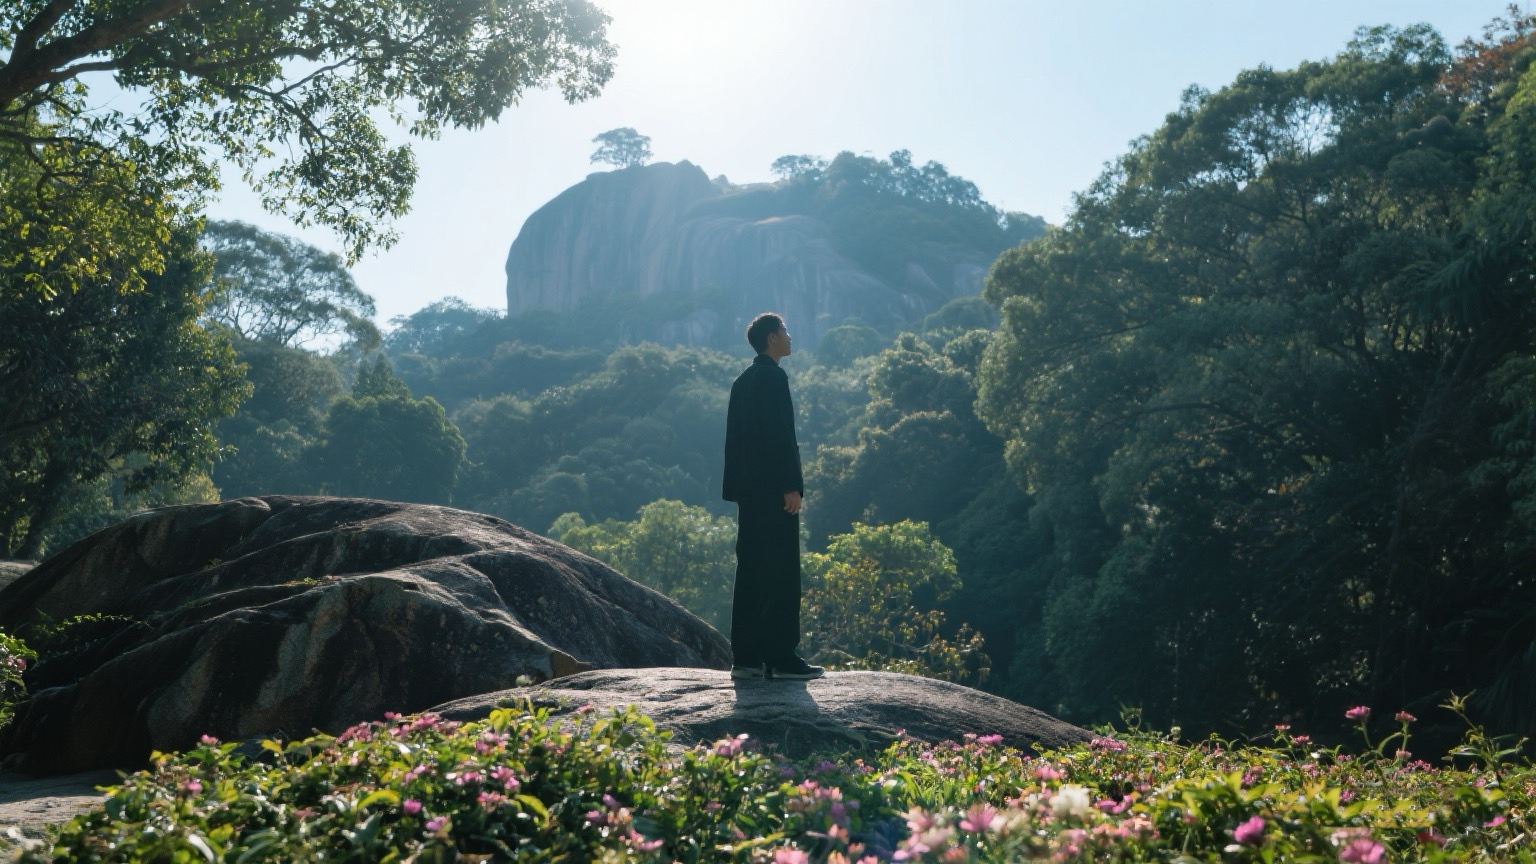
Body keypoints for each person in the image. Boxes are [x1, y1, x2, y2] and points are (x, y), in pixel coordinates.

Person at [721, 312, 825, 680]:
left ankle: (746, 657)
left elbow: (737, 444)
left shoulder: (743, 381)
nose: (790, 336)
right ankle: (781, 656)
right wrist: (791, 485)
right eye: (784, 331)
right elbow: (779, 436)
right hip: (773, 494)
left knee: (751, 570)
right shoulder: (773, 377)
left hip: (749, 496)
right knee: (781, 570)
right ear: (771, 339)